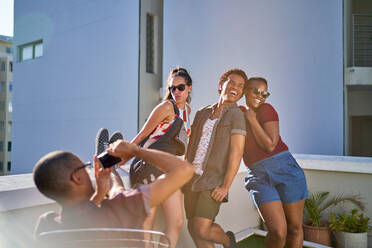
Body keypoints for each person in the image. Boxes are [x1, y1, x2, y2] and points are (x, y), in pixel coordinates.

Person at [33, 139, 194, 237]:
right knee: (120, 192)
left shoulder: (46, 226)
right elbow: (184, 170)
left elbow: (83, 220)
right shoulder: (121, 207)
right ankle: (115, 170)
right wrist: (135, 150)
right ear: (77, 178)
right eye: (85, 167)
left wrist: (99, 195)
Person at [127, 67, 192, 248]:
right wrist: (119, 157)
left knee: (177, 221)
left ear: (189, 88)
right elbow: (140, 137)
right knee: (147, 223)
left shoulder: (186, 111)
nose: (176, 92)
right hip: (149, 165)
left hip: (168, 168)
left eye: (180, 87)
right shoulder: (166, 107)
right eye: (172, 88)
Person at [241, 77, 308, 248]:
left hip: (285, 169)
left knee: (294, 228)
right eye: (256, 91)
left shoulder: (266, 109)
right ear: (245, 90)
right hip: (258, 175)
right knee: (277, 231)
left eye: (265, 93)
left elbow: (270, 145)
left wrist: (252, 119)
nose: (260, 96)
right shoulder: (238, 113)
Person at [184, 68, 247, 248]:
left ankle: (228, 242)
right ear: (221, 85)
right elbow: (191, 146)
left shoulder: (237, 115)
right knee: (194, 229)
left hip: (212, 181)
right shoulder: (202, 113)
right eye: (232, 83)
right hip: (191, 178)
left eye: (240, 86)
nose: (236, 88)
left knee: (202, 229)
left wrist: (225, 186)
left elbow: (237, 152)